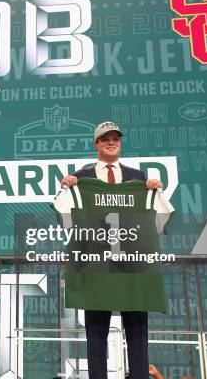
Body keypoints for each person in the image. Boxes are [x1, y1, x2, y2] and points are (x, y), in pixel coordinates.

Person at [60, 122, 164, 379]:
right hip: (96, 264)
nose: (111, 142)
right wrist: (67, 187)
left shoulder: (138, 177)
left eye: (116, 138)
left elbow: (151, 218)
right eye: (105, 139)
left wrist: (152, 188)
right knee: (96, 334)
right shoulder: (80, 178)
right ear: (96, 144)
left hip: (132, 265)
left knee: (138, 332)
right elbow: (67, 216)